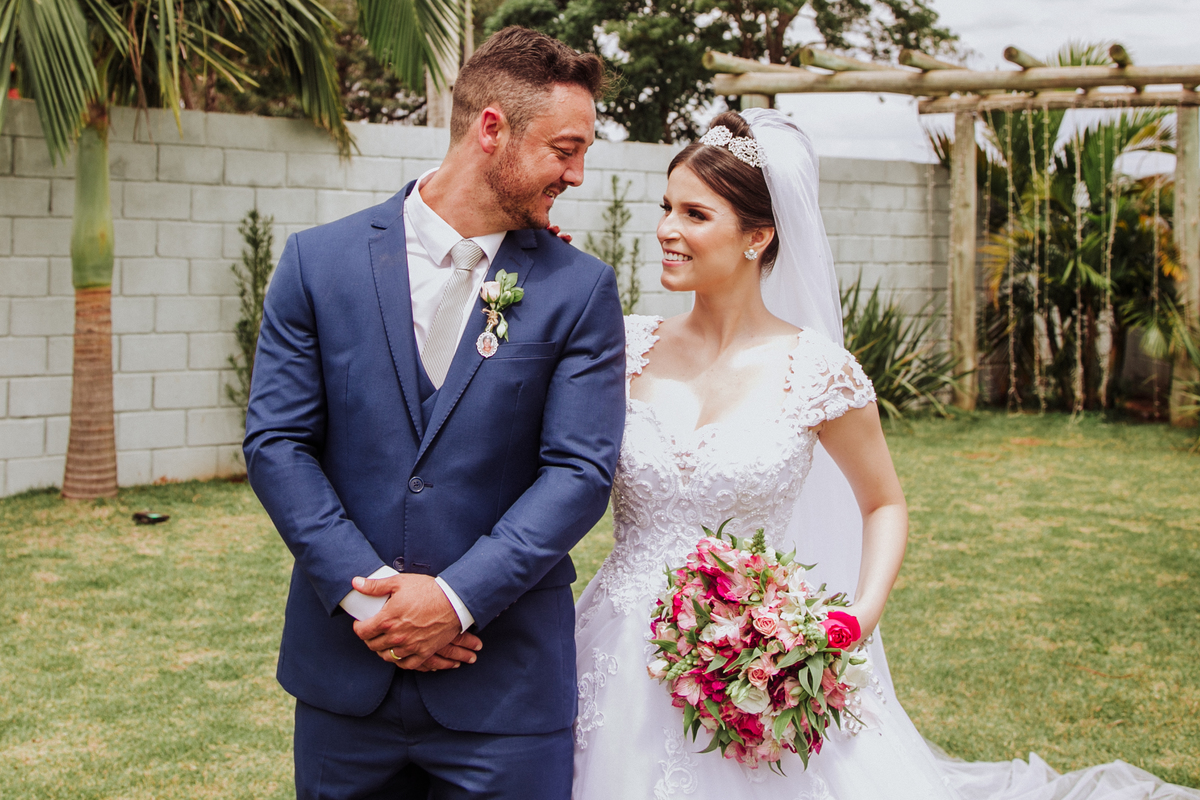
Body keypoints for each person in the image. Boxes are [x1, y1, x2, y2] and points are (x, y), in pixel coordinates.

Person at [572, 108, 1200, 800]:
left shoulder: (818, 372)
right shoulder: (624, 346)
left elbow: (883, 503)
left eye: (694, 214)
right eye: (666, 208)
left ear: (758, 236)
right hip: (615, 648)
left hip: (756, 657)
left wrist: (856, 618)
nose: (667, 228)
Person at [244, 27, 626, 800]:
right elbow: (277, 443)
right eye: (564, 149)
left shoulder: (579, 289)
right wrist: (373, 600)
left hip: (506, 688)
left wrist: (454, 601)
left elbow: (580, 471)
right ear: (491, 129)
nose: (577, 174)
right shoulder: (318, 264)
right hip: (346, 680)